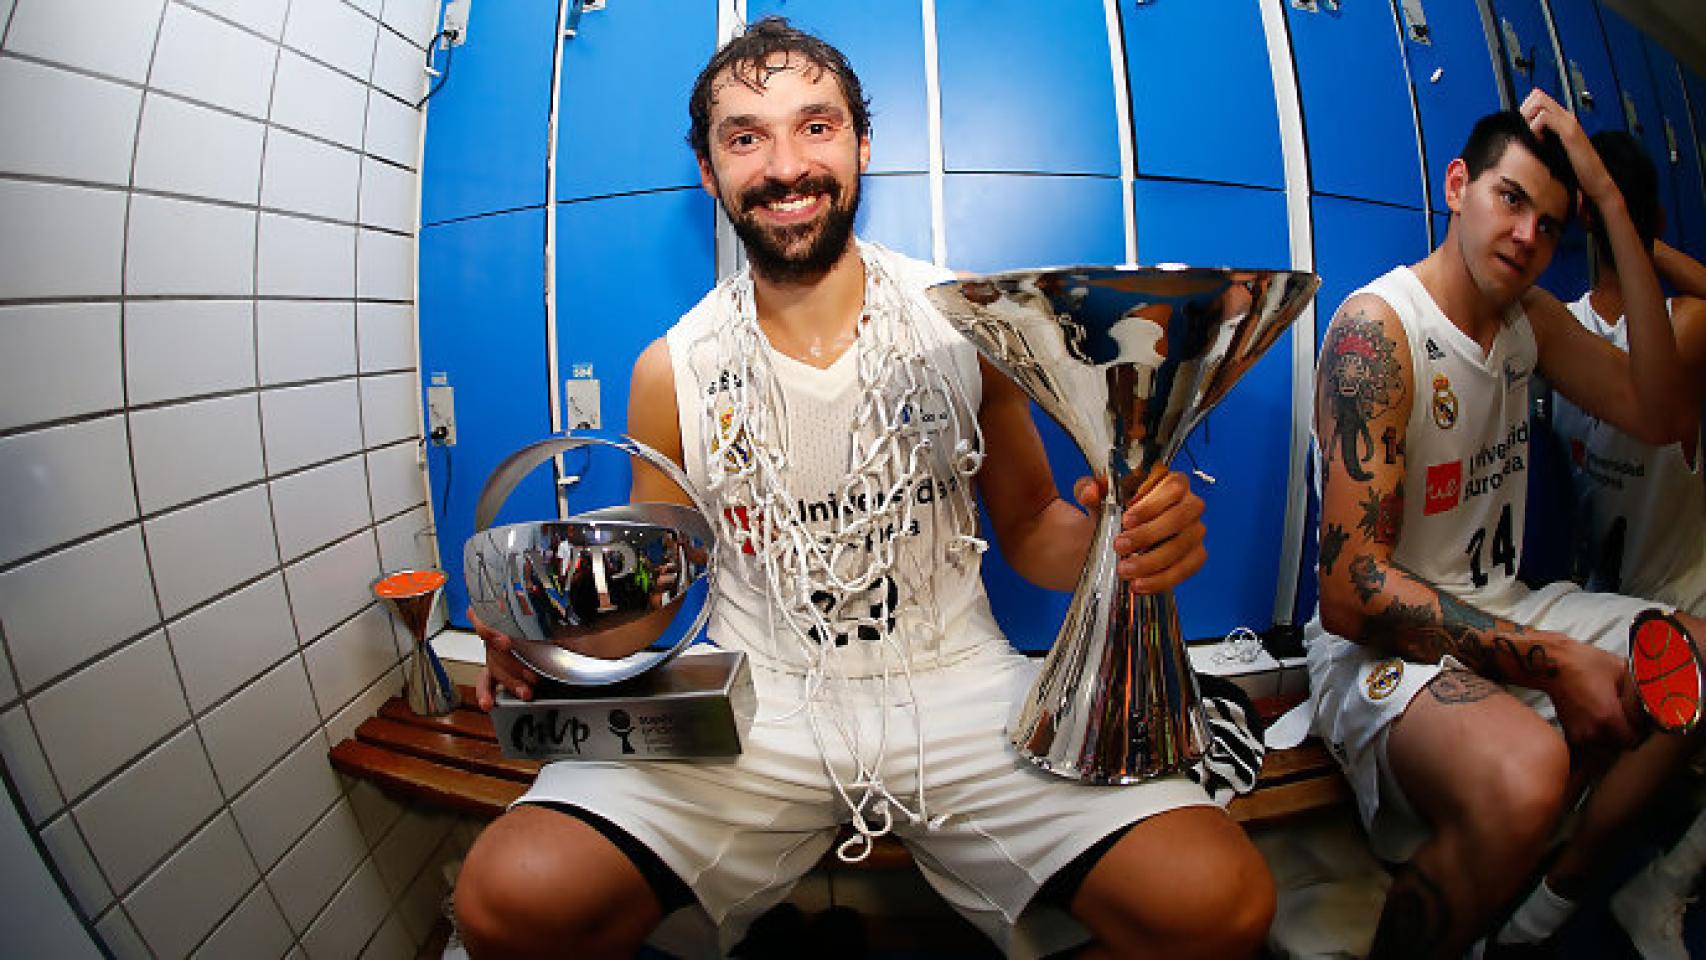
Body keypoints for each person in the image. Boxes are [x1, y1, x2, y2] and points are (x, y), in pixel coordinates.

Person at [453, 18, 1275, 960]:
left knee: (1218, 901)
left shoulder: (966, 322)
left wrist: (1120, 538)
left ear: (861, 143)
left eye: (816, 126)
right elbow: (655, 600)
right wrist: (551, 629)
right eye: (745, 136)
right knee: (510, 898)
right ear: (709, 165)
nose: (785, 165)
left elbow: (1034, 531)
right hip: (754, 710)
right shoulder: (667, 369)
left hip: (959, 688)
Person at [1303, 88, 1704, 959]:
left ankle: (1536, 917)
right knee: (1530, 776)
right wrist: (1557, 660)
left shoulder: (1533, 324)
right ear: (1458, 186)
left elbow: (1664, 409)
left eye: (1553, 224)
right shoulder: (1381, 330)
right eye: (1511, 199)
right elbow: (1350, 592)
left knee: (1698, 661)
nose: (1528, 235)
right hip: (1377, 651)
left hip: (1504, 606)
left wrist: (1607, 198)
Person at [1548, 131, 1706, 960]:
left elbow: (1662, 405)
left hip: (1692, 585)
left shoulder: (1687, 324)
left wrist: (1622, 223)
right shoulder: (1559, 330)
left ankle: (1664, 882)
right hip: (1609, 596)